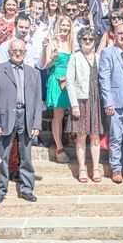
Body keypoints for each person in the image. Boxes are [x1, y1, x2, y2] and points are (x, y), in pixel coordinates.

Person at [0, 39, 42, 203]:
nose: (18, 53)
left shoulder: (34, 73)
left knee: (26, 156)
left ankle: (26, 188)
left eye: (21, 51)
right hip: (5, 118)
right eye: (14, 51)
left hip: (26, 117)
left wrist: (37, 124)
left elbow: (38, 100)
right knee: (2, 156)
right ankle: (0, 189)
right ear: (9, 52)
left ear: (25, 53)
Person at [99, 23, 123, 183]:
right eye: (119, 33)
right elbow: (104, 78)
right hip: (115, 102)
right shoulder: (108, 53)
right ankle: (116, 169)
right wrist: (108, 102)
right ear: (114, 35)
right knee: (116, 137)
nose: (122, 36)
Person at [65, 27, 104, 183]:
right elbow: (69, 81)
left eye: (91, 39)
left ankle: (95, 168)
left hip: (96, 100)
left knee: (95, 136)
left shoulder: (99, 57)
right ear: (80, 41)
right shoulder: (75, 57)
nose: (88, 42)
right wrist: (74, 105)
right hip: (81, 100)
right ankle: (82, 168)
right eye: (85, 39)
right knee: (81, 136)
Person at [41, 16, 74, 162]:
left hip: (70, 80)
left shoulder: (72, 42)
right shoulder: (53, 42)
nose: (65, 28)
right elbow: (46, 65)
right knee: (58, 114)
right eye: (63, 25)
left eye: (67, 25)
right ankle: (59, 148)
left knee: (73, 111)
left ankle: (72, 140)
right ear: (58, 26)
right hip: (57, 78)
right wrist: (53, 57)